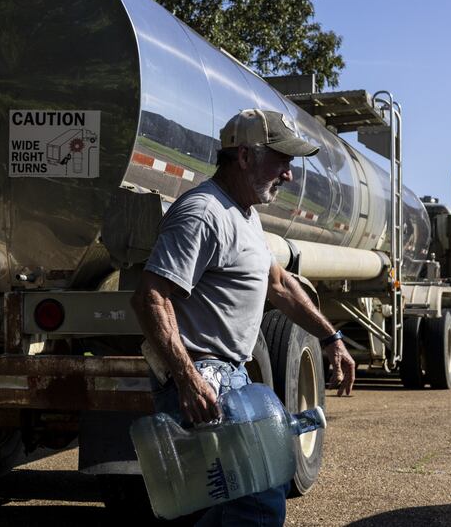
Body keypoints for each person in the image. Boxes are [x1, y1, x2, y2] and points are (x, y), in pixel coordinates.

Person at [131, 108, 355, 526]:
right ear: (246, 156)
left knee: (218, 507)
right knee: (257, 501)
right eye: (282, 159)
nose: (289, 174)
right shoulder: (202, 212)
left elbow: (280, 285)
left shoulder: (245, 216)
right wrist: (188, 378)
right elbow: (150, 298)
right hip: (205, 383)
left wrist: (331, 338)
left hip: (226, 379)